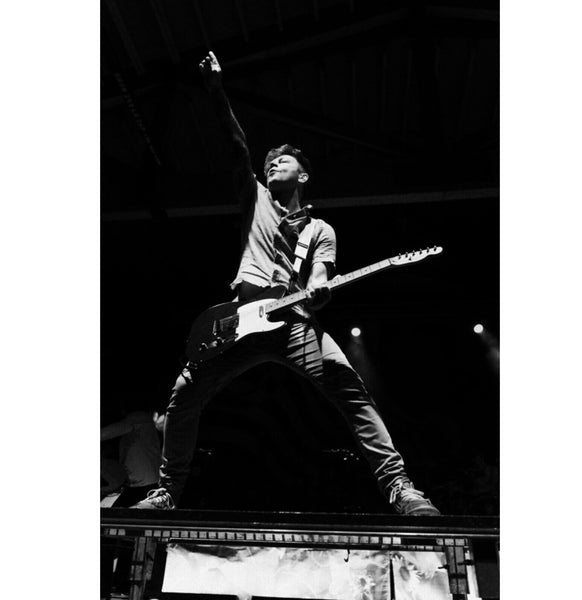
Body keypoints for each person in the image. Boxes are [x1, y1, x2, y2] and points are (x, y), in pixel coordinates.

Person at [133, 51, 440, 516]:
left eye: (284, 161)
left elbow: (319, 275)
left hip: (294, 323)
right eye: (270, 162)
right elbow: (236, 144)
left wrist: (319, 291)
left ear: (304, 174)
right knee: (183, 396)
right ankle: (167, 492)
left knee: (350, 390)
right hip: (237, 324)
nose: (273, 164)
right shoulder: (255, 198)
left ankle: (401, 488)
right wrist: (216, 91)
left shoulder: (320, 230)